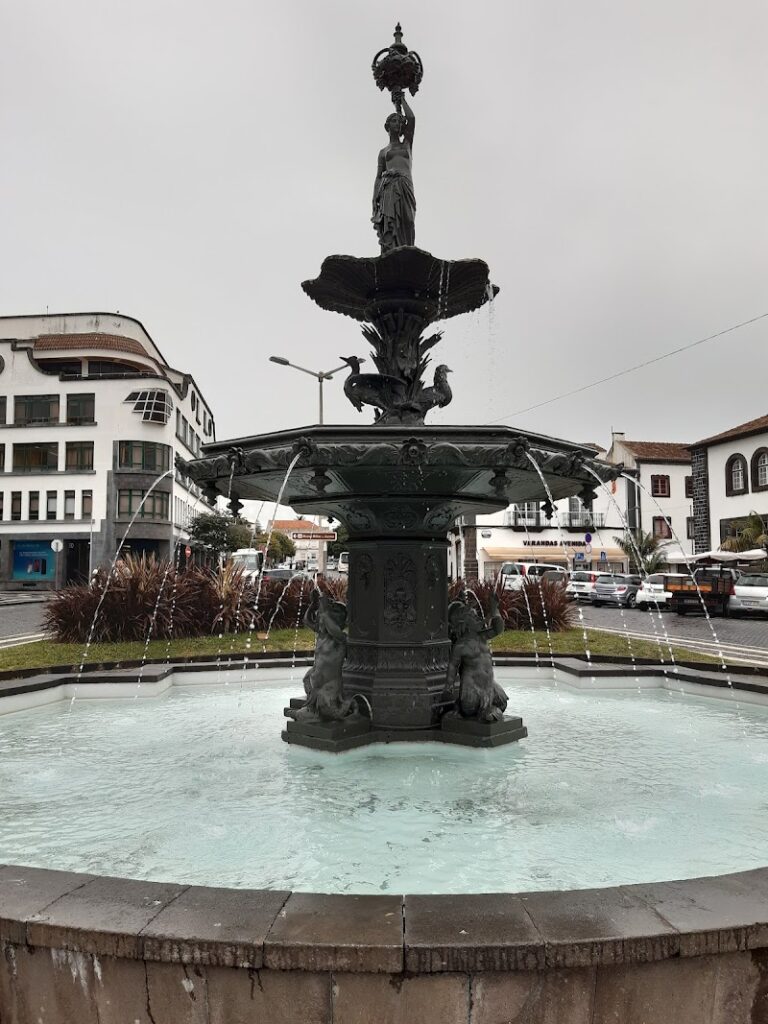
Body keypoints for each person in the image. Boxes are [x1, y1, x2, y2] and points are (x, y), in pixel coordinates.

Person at [372, 91, 416, 252]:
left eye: (399, 121)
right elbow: (378, 177)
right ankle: (391, 251)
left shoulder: (407, 144)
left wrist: (401, 100)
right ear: (387, 126)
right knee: (390, 224)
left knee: (408, 220)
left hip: (404, 184)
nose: (397, 124)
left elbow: (411, 119)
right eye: (394, 121)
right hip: (388, 188)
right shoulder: (383, 152)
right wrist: (374, 198)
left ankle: (407, 250)